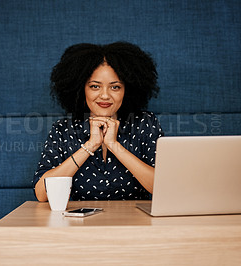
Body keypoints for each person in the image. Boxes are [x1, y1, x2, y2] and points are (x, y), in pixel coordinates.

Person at [33, 42, 164, 201]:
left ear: (127, 90)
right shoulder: (63, 130)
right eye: (95, 86)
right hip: (78, 225)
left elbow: (164, 188)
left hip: (135, 224)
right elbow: (41, 194)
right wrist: (90, 145)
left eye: (115, 87)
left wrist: (114, 145)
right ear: (82, 89)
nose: (105, 95)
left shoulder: (145, 124)